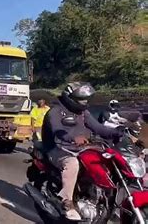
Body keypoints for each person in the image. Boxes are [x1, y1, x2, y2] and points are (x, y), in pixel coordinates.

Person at [41, 82, 123, 221]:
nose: (84, 102)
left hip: (78, 148)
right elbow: (57, 131)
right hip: (56, 148)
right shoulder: (55, 112)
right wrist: (73, 137)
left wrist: (118, 132)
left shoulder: (83, 112)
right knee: (72, 164)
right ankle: (67, 201)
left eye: (85, 99)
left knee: (102, 160)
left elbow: (99, 128)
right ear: (69, 98)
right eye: (81, 99)